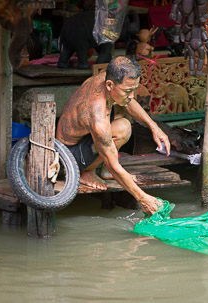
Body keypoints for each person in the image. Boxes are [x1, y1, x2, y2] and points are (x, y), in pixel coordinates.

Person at [56, 56, 170, 215]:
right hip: (69, 155)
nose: (132, 95)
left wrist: (154, 126)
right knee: (115, 144)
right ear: (110, 85)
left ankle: (101, 171)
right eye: (128, 91)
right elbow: (112, 162)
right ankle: (85, 173)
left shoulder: (107, 77)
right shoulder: (97, 114)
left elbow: (129, 103)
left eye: (134, 90)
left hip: (84, 138)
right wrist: (142, 198)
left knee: (124, 126)